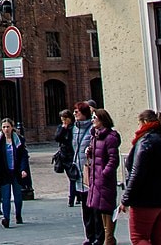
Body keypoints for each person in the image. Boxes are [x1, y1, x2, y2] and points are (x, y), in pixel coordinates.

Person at [120, 109, 161, 245]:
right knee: (157, 239)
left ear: (144, 122)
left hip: (145, 197)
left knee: (139, 238)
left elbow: (137, 173)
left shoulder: (145, 141)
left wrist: (125, 199)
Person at [86, 108, 122, 245]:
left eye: (95, 117)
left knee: (107, 207)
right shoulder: (96, 136)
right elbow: (98, 156)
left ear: (102, 119)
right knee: (100, 207)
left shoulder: (110, 137)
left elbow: (113, 159)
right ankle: (108, 237)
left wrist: (105, 173)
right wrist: (90, 153)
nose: (93, 120)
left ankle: (109, 237)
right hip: (96, 177)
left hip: (104, 178)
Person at [0, 117, 30, 226]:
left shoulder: (19, 140)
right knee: (6, 196)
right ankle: (6, 218)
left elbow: (23, 156)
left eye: (8, 127)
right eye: (4, 127)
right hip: (4, 172)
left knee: (18, 195)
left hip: (16, 171)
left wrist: (23, 169)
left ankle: (18, 215)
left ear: (12, 127)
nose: (6, 129)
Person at [71, 102, 98, 237]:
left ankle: (98, 234)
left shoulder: (92, 128)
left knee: (93, 205)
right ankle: (89, 235)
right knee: (84, 206)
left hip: (90, 170)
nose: (75, 113)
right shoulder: (74, 128)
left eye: (77, 111)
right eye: (74, 111)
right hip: (78, 171)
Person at [53, 108, 78, 205]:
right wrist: (63, 129)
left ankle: (72, 199)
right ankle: (75, 196)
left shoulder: (74, 127)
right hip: (64, 156)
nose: (63, 121)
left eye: (65, 119)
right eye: (62, 119)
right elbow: (57, 138)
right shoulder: (61, 127)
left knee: (73, 177)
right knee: (71, 176)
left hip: (72, 154)